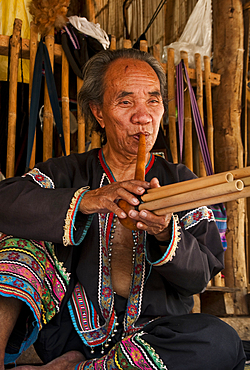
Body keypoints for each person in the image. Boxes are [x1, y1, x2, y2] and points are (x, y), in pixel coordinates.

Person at [0, 48, 245, 370]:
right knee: (19, 241)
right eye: (126, 102)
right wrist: (88, 200)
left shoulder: (183, 183)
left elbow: (201, 276)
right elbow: (6, 200)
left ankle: (76, 369)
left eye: (153, 101)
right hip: (68, 332)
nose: (143, 116)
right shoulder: (67, 173)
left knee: (219, 342)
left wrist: (164, 231)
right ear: (99, 113)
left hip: (153, 335)